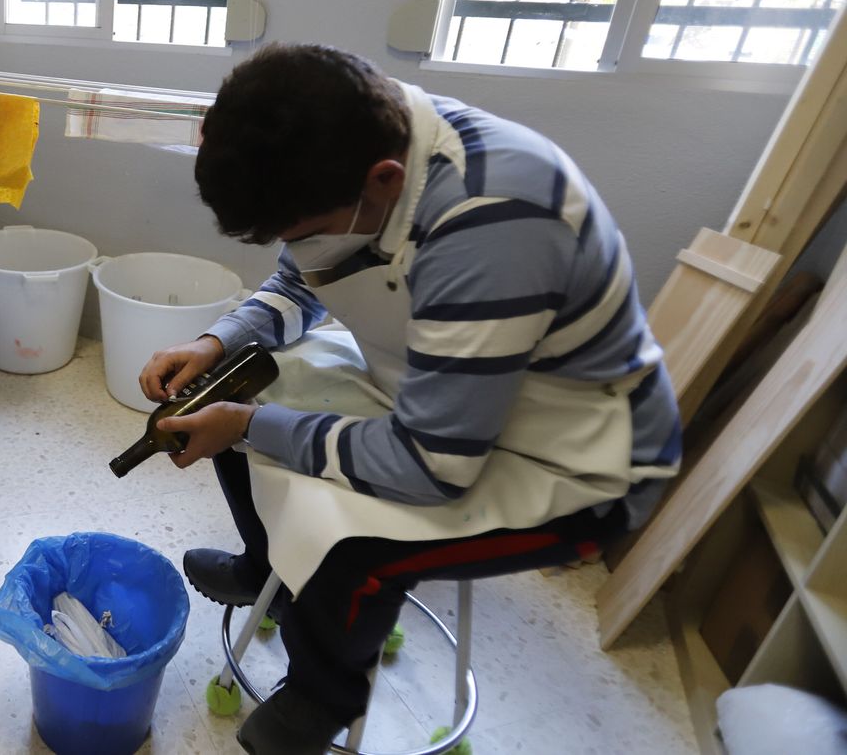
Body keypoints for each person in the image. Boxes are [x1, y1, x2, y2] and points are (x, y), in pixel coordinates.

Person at [139, 44, 681, 754]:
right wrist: (216, 347)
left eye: (295, 232)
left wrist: (249, 424)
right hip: (436, 380)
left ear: (386, 181)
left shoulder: (496, 221)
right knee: (242, 381)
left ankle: (323, 690)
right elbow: (303, 282)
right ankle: (267, 561)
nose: (292, 246)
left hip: (573, 451)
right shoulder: (346, 137)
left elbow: (431, 465)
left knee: (353, 539)